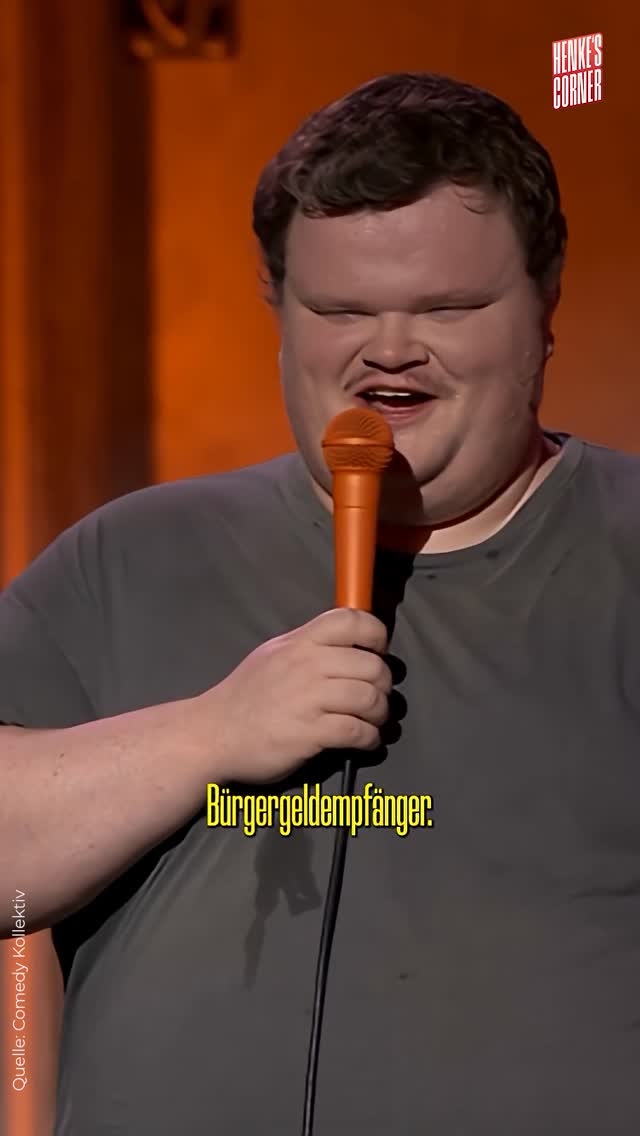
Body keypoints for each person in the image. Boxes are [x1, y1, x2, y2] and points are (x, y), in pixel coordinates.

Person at [1, 70, 639, 1136]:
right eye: (340, 311)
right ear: (279, 309)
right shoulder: (130, 560)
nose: (388, 349)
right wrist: (210, 733)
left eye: (446, 308)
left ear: (546, 305)